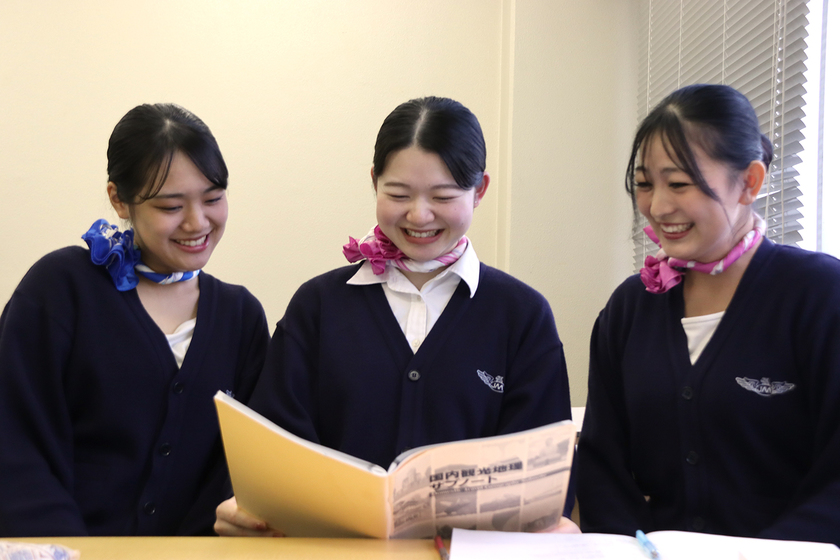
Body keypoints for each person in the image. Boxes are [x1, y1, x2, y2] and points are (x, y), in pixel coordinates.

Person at [214, 96, 577, 536]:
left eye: (443, 196)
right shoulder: (318, 306)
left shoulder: (522, 316)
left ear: (479, 190)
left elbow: (542, 474)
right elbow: (273, 451)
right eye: (398, 194)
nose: (418, 215)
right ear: (374, 182)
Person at [577, 84, 840, 546]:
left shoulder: (820, 296)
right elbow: (602, 466)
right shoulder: (628, 309)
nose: (658, 207)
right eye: (644, 184)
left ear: (750, 182)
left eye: (679, 184)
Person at [0, 104, 269, 536]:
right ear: (118, 198)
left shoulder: (242, 318)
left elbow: (239, 471)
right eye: (170, 205)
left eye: (213, 198)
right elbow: (16, 447)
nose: (197, 222)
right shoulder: (59, 290)